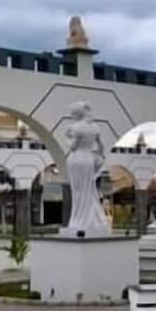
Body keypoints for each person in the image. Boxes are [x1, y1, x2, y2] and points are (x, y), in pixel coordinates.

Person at [64, 101, 110, 236]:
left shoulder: (75, 128)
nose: (71, 116)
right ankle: (91, 219)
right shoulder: (94, 127)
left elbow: (72, 147)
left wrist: (67, 137)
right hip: (89, 159)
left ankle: (79, 220)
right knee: (89, 190)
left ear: (77, 113)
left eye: (72, 113)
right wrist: (99, 158)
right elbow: (101, 147)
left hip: (77, 159)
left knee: (78, 191)